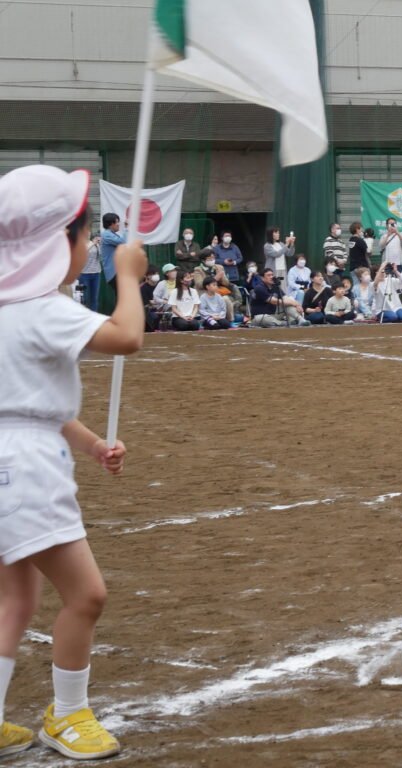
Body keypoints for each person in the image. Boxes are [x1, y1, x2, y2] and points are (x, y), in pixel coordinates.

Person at [0, 165, 147, 760]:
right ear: (51, 245)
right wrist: (128, 277)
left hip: (11, 455)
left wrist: (90, 444)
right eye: (85, 238)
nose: (90, 249)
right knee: (86, 595)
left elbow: (28, 403)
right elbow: (125, 336)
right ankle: (68, 714)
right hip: (27, 468)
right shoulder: (43, 309)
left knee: (13, 599)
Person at [99, 212, 124, 296]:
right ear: (111, 224)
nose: (118, 224)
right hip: (113, 272)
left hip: (117, 270)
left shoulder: (113, 234)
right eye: (117, 222)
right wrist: (127, 229)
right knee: (122, 296)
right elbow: (123, 242)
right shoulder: (106, 235)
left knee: (122, 295)